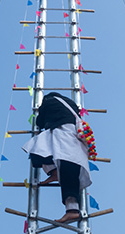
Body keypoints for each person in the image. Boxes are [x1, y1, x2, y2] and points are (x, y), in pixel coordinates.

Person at [22, 92, 92, 224]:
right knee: (68, 171)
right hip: (74, 139)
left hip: (62, 134)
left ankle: (72, 211)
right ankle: (55, 175)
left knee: (37, 150)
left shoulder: (49, 102)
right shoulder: (71, 106)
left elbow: (40, 121)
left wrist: (40, 113)